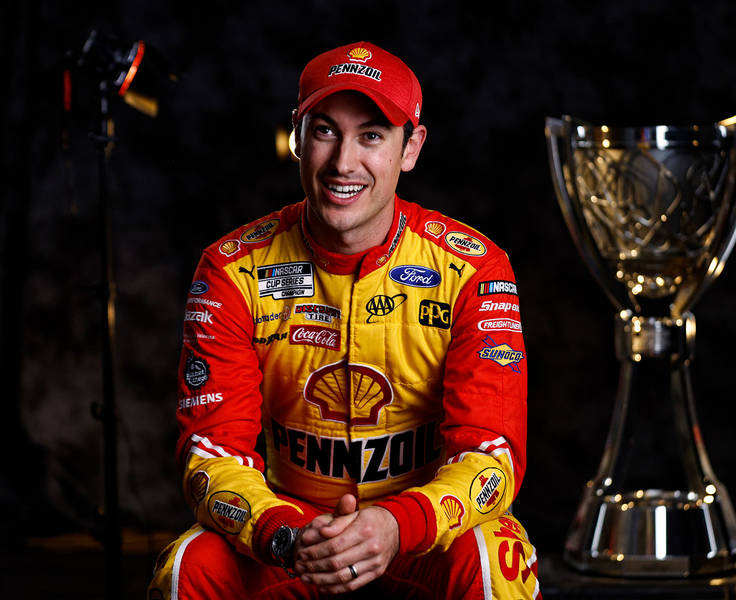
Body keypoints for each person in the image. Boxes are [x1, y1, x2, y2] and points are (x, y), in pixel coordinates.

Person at [149, 41, 540, 599]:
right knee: (191, 564)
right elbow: (212, 454)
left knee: (492, 553)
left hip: (419, 533)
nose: (343, 163)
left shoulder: (473, 267)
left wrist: (394, 526)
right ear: (297, 137)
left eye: (372, 135)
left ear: (411, 147)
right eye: (325, 130)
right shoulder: (232, 269)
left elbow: (489, 457)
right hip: (293, 535)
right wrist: (288, 535)